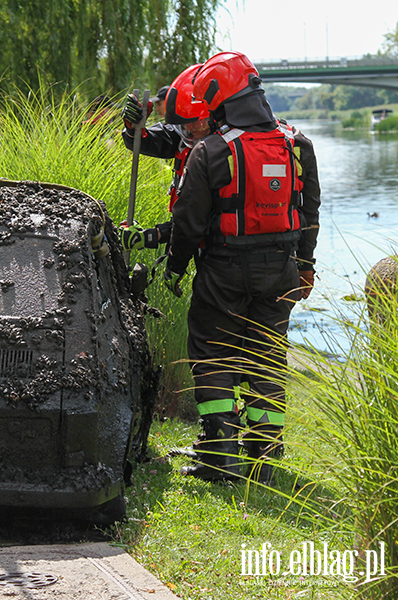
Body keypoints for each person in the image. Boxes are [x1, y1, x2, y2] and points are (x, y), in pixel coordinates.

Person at [162, 51, 320, 484]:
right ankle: (263, 461)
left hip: (223, 272)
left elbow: (189, 223)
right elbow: (309, 211)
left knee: (213, 356)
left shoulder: (211, 150)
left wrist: (174, 269)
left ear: (218, 99)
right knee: (266, 359)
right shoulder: (297, 144)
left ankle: (219, 458)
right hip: (281, 272)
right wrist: (305, 266)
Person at [119, 64, 210, 252]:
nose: (190, 130)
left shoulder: (226, 151)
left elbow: (202, 221)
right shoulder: (184, 136)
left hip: (221, 255)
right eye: (184, 124)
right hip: (193, 248)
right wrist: (133, 129)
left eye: (196, 122)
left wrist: (153, 236)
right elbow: (148, 142)